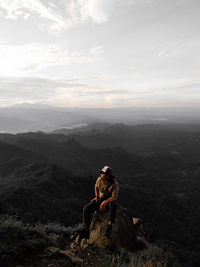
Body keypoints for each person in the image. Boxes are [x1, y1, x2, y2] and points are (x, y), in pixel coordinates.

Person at [82, 166, 119, 238]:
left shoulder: (115, 184)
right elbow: (96, 187)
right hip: (100, 199)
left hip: (109, 201)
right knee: (86, 208)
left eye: (103, 173)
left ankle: (109, 227)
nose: (101, 175)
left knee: (113, 206)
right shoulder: (100, 179)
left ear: (108, 175)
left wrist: (104, 203)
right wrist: (97, 197)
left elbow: (114, 197)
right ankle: (86, 229)